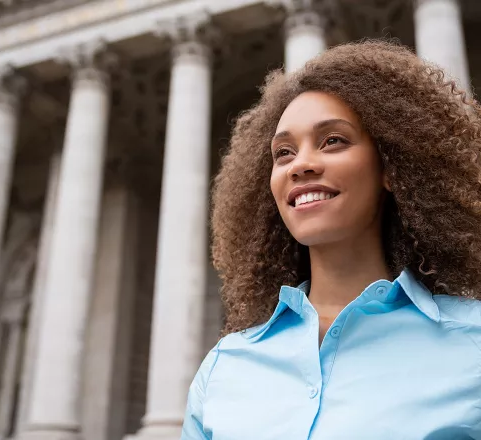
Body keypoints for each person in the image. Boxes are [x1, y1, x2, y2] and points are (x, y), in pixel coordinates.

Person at [181, 40, 481, 439]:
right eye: (283, 152)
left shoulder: (472, 344)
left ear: (391, 168)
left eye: (333, 140)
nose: (301, 164)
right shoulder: (223, 368)